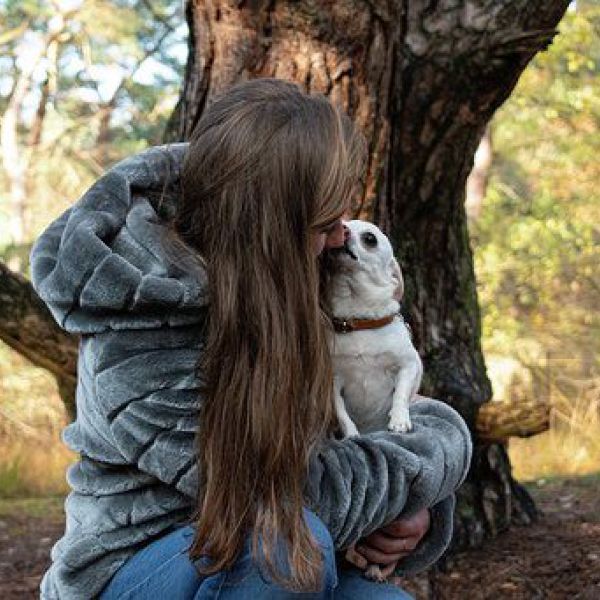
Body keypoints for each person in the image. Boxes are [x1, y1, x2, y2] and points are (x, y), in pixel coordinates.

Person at [30, 78, 472, 599]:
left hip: (265, 551)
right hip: (134, 570)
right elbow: (293, 496)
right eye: (325, 222)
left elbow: (373, 414)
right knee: (283, 551)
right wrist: (436, 453)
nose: (338, 238)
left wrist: (416, 503)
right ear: (270, 227)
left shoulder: (299, 274)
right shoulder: (138, 338)